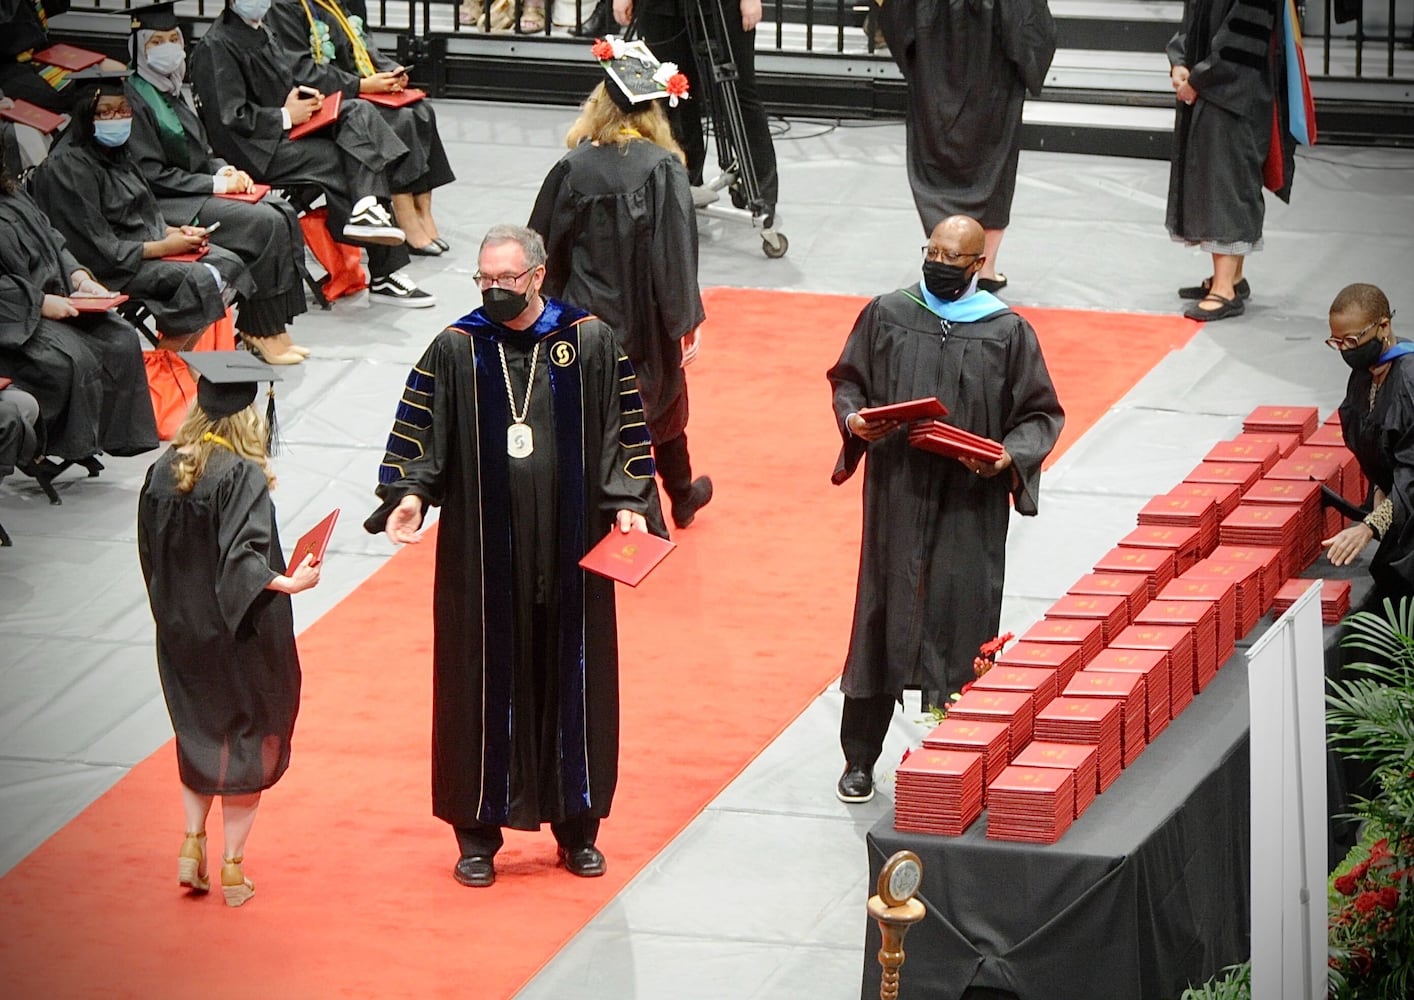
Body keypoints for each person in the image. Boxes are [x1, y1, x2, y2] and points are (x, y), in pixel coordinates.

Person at [364, 224, 666, 888]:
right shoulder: (457, 348)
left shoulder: (587, 340)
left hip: (571, 545)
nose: (495, 290)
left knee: (575, 680)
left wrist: (628, 501)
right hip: (481, 555)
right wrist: (409, 495)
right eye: (485, 280)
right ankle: (476, 836)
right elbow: (422, 432)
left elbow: (626, 429)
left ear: (538, 274)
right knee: (478, 686)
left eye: (507, 279)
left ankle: (577, 828)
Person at [827, 214, 1064, 803]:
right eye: (930, 250)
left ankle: (952, 758)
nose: (937, 263)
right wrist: (854, 419)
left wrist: (1008, 458)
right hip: (897, 495)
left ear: (978, 264)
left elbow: (1039, 415)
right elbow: (848, 381)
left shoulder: (1007, 332)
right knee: (879, 619)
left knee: (961, 623)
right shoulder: (888, 312)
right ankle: (860, 759)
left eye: (951, 257)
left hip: (968, 502)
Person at [137, 351, 321, 908]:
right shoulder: (239, 475)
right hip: (236, 634)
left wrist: (174, 615)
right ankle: (233, 869)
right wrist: (291, 583)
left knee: (199, 733)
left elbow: (150, 555)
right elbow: (242, 563)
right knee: (246, 740)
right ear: (249, 416)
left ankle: (190, 845)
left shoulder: (161, 470)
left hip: (180, 631)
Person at [529, 39, 712, 530]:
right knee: (659, 405)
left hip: (582, 319)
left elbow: (544, 247)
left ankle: (627, 504)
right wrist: (684, 322)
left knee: (596, 412)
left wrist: (546, 314)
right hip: (644, 317)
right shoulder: (662, 167)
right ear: (655, 110)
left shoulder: (572, 168)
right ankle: (668, 504)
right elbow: (673, 256)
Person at [189, 0, 436, 308]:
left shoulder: (262, 31)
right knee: (342, 157)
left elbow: (285, 84)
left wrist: (305, 100)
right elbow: (228, 121)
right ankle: (384, 268)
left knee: (358, 111)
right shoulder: (217, 45)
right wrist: (285, 115)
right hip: (254, 149)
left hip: (285, 131)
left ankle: (366, 206)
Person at [123, 2, 311, 364]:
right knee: (263, 223)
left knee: (283, 210)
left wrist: (223, 169)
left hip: (193, 189)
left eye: (173, 38)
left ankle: (272, 327)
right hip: (165, 202)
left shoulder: (171, 89)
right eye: (155, 41)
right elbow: (151, 175)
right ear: (138, 49)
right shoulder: (134, 98)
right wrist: (213, 185)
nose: (168, 47)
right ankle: (260, 330)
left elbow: (201, 147)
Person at [29, 68, 257, 347]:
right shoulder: (68, 166)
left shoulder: (117, 153)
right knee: (202, 277)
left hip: (142, 252)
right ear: (85, 115)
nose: (118, 118)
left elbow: (144, 212)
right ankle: (166, 366)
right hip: (107, 267)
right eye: (105, 112)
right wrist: (166, 247)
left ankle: (182, 362)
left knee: (229, 264)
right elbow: (95, 247)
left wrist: (176, 232)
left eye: (124, 110)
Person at [876, 0, 1056, 295]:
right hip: (994, 73)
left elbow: (897, 17)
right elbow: (1029, 27)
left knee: (937, 161)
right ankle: (984, 269)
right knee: (993, 168)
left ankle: (946, 259)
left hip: (934, 68)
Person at [0, 140, 159, 466]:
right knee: (73, 358)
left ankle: (110, 438)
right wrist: (41, 302)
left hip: (57, 297)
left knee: (121, 338)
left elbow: (53, 240)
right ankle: (46, 447)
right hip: (16, 319)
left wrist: (80, 278)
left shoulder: (12, 192)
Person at [265, 0, 456, 254]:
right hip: (320, 100)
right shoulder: (284, 7)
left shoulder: (334, 2)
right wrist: (361, 86)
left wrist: (389, 70)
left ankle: (424, 214)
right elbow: (300, 70)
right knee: (400, 120)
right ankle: (404, 215)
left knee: (422, 112)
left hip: (353, 90)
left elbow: (360, 42)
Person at [1166, 0, 1295, 321]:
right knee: (1216, 175)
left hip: (1235, 90)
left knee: (1227, 181)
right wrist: (1179, 63)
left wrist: (1200, 79)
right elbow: (1192, 20)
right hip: (1212, 84)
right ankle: (1232, 278)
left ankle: (1224, 291)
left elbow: (1242, 39)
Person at [616, 0, 780, 221]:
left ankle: (760, 192)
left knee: (739, 94)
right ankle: (681, 183)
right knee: (671, 94)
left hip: (722, 7)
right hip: (659, 8)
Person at [1322, 283, 1414, 603]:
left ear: (1383, 326)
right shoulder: (1364, 373)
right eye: (1337, 342)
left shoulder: (1409, 380)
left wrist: (1370, 526)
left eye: (1351, 340)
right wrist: (1378, 489)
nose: (1346, 350)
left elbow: (1412, 473)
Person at [0, 0, 129, 112]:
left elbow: (54, 7)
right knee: (90, 92)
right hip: (11, 67)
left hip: (41, 54)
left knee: (118, 71)